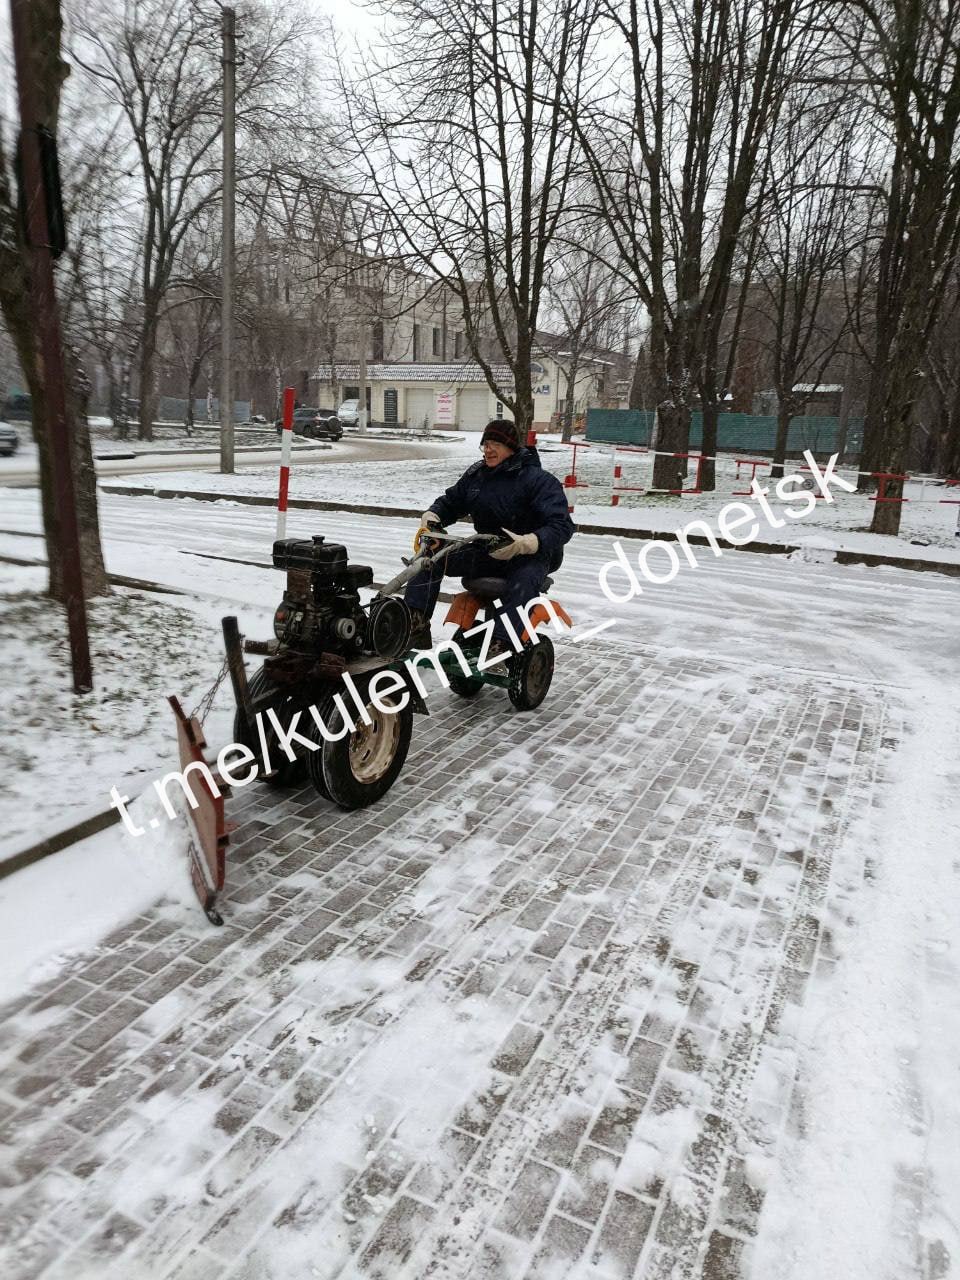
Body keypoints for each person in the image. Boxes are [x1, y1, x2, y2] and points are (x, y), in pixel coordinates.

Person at [404, 419, 575, 653]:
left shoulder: (538, 480)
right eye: (485, 444)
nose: (488, 449)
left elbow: (562, 525)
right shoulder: (477, 476)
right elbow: (452, 501)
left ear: (511, 447)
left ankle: (502, 645)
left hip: (530, 555)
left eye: (495, 444)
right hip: (489, 548)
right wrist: (434, 514)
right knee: (431, 556)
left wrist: (528, 542)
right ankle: (415, 624)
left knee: (522, 582)